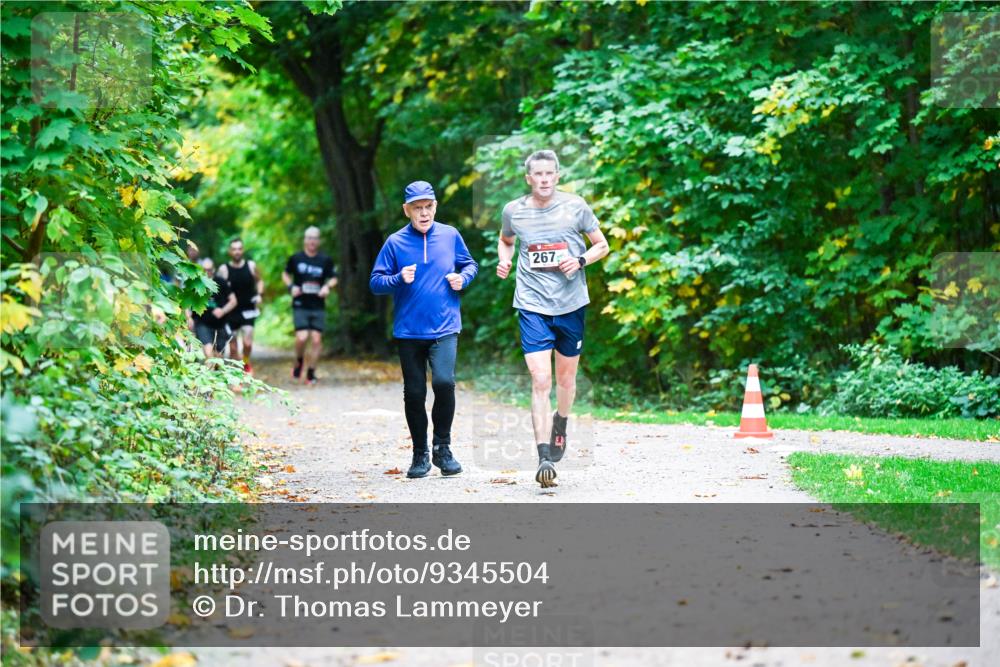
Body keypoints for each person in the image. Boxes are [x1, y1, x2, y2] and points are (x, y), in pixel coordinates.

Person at [496, 150, 609, 488]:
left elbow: (602, 245)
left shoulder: (576, 206)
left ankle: (561, 421)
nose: (544, 179)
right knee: (541, 380)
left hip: (571, 304)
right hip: (532, 305)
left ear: (557, 176)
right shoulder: (514, 211)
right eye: (538, 175)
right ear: (528, 178)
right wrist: (505, 260)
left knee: (565, 380)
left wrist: (580, 261)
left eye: (550, 174)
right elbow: (506, 241)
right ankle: (544, 455)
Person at [370, 181, 478, 479]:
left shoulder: (450, 235)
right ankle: (420, 454)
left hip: (445, 327)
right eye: (417, 207)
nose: (424, 212)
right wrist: (397, 278)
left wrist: (462, 278)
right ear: (407, 211)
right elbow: (375, 282)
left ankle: (443, 447)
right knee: (415, 393)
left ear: (435, 207)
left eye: (428, 206)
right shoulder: (394, 242)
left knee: (444, 382)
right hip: (409, 331)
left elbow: (470, 265)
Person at [282, 227, 337, 385]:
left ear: (319, 241)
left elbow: (334, 278)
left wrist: (327, 287)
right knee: (302, 336)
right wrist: (291, 287)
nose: (312, 241)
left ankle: (311, 373)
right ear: (305, 240)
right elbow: (285, 274)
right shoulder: (296, 258)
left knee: (317, 339)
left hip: (317, 304)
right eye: (309, 238)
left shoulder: (325, 260)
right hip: (300, 303)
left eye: (315, 238)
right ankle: (299, 361)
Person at [217, 238, 263, 374]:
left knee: (248, 344)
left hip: (249, 309)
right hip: (231, 312)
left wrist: (260, 294)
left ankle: (246, 361)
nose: (237, 251)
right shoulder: (223, 269)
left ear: (243, 250)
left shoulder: (251, 266)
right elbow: (218, 289)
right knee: (233, 348)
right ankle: (235, 375)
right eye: (234, 249)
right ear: (230, 252)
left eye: (239, 249)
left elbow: (260, 281)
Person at [187, 258, 238, 359]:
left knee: (218, 357)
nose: (207, 272)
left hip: (220, 325)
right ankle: (210, 372)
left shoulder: (221, 282)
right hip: (202, 323)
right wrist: (189, 318)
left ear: (213, 269)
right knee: (209, 353)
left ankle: (215, 373)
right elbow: (187, 303)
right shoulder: (195, 283)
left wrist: (223, 311)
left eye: (209, 270)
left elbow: (233, 301)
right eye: (204, 270)